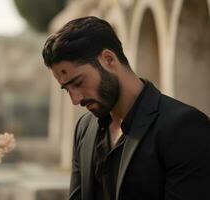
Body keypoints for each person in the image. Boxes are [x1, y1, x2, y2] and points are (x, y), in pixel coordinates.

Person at [41, 16, 210, 200]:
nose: (75, 99)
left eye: (79, 82)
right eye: (67, 90)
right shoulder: (84, 130)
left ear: (108, 60)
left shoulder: (185, 127)